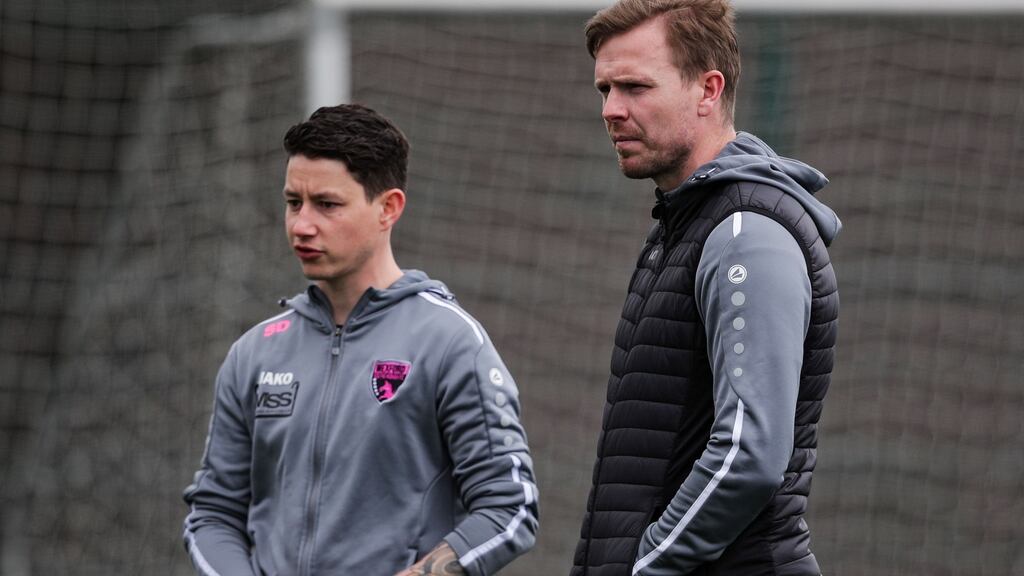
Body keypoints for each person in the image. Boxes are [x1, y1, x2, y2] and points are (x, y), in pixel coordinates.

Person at [183, 104, 538, 576]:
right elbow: (213, 514)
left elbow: (509, 508)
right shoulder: (254, 353)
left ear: (388, 208)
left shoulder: (449, 343)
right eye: (293, 202)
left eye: (327, 205)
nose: (302, 225)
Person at [571, 1, 840, 575]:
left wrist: (644, 566)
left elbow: (749, 455)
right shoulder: (683, 224)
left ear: (707, 89)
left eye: (635, 87)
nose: (612, 110)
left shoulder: (745, 233)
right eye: (605, 90)